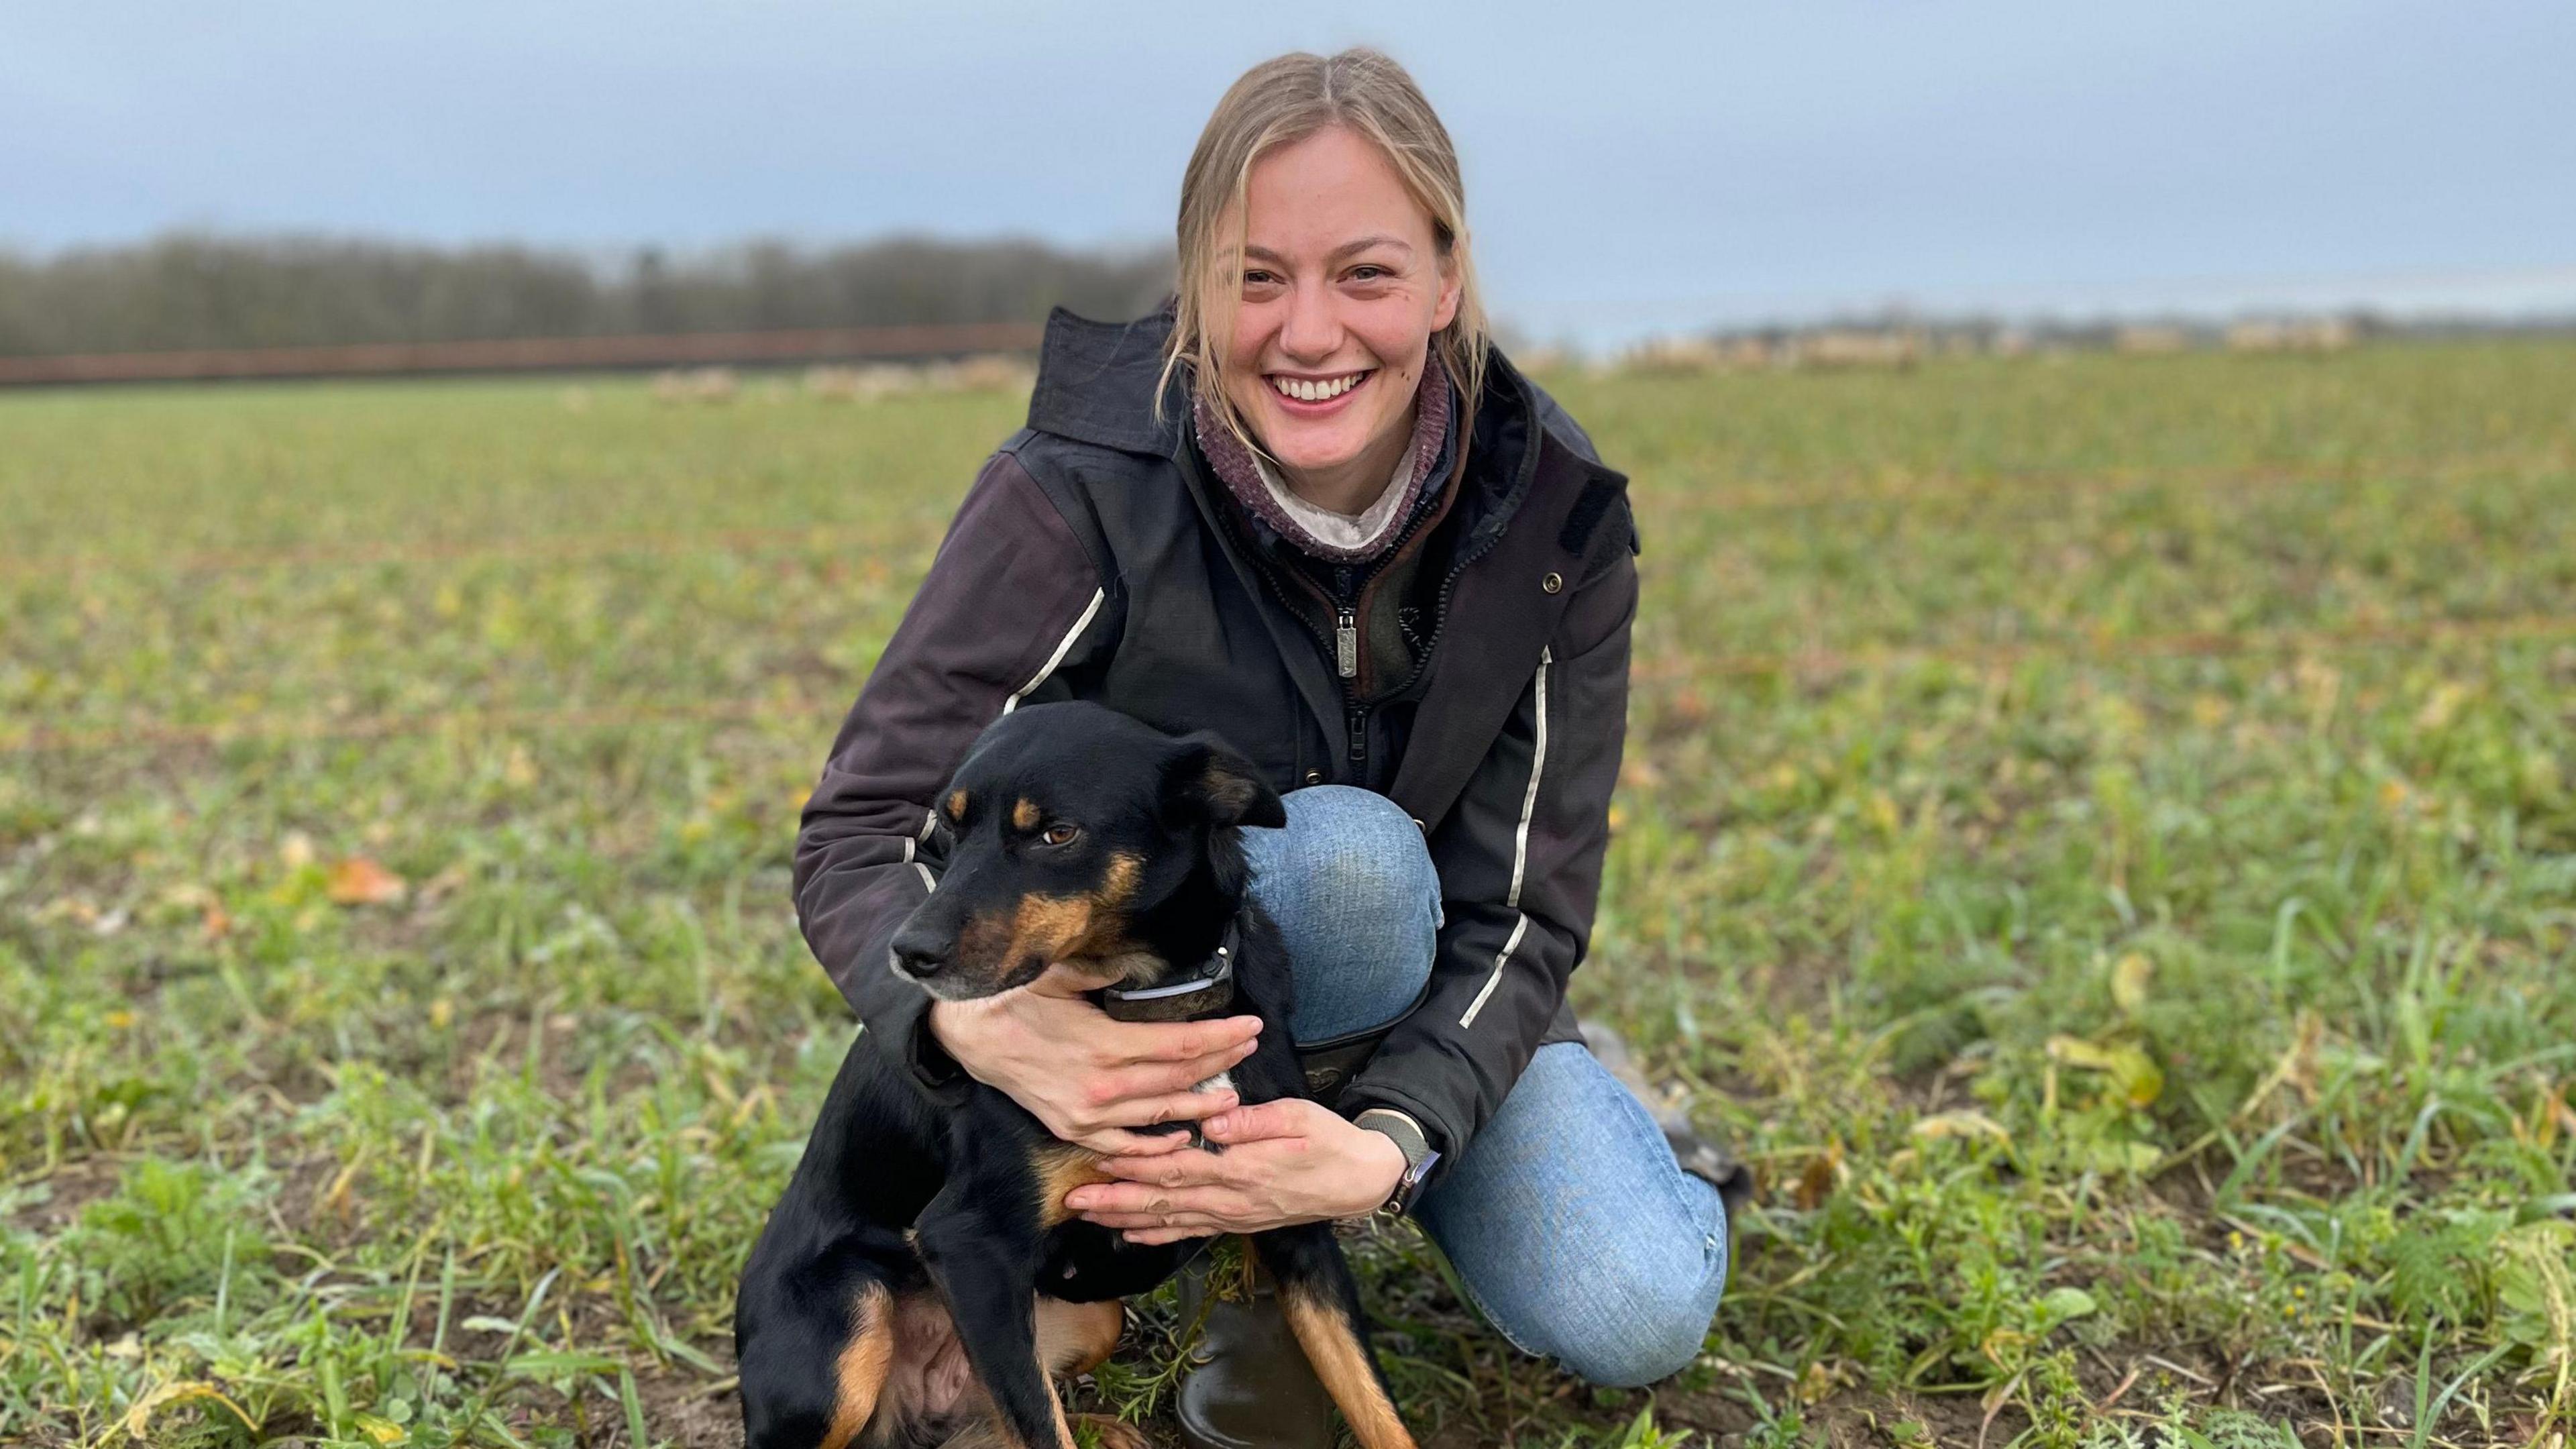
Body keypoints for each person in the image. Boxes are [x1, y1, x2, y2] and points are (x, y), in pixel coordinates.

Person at [794, 47, 1736, 1448]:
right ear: (1196, 287)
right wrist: (971, 1023)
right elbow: (860, 824)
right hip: (1184, 1008)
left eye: (1364, 273)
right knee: (1339, 860)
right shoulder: (1076, 492)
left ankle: (1564, 1132)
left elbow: (1527, 908)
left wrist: (1389, 1141)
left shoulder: (1555, 521)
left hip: (1426, 995)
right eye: (1254, 277)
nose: (1308, 333)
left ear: (1445, 278)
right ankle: (1250, 1277)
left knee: (1633, 1304)